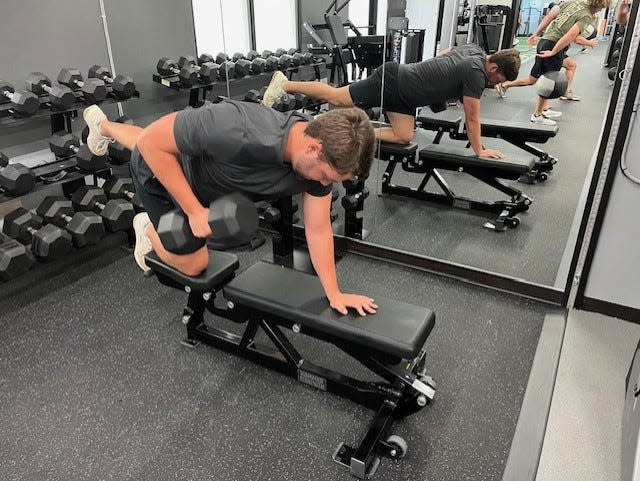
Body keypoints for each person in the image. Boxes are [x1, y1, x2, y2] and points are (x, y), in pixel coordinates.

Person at [82, 101, 378, 316]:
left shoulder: (319, 157)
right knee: (195, 264)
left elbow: (317, 228)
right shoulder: (237, 127)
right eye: (326, 176)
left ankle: (102, 127)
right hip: (162, 177)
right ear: (313, 148)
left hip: (205, 179)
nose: (325, 183)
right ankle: (147, 228)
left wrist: (334, 292)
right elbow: (151, 144)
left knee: (150, 138)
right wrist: (194, 212)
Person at [262, 45, 521, 159]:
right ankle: (284, 83)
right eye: (499, 79)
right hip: (395, 81)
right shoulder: (477, 74)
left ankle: (342, 129)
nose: (496, 84)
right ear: (495, 66)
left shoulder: (476, 51)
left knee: (403, 136)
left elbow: (445, 54)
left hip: (407, 95)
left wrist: (439, 86)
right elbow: (472, 117)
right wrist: (480, 150)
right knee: (337, 96)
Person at [496, 0, 609, 125]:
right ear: (600, 6)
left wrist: (536, 33)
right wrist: (553, 51)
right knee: (549, 81)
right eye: (602, 8)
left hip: (545, 41)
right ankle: (537, 115)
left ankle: (541, 107)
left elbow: (550, 16)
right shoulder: (586, 16)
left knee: (535, 79)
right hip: (553, 45)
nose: (600, 10)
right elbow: (571, 36)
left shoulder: (572, 3)